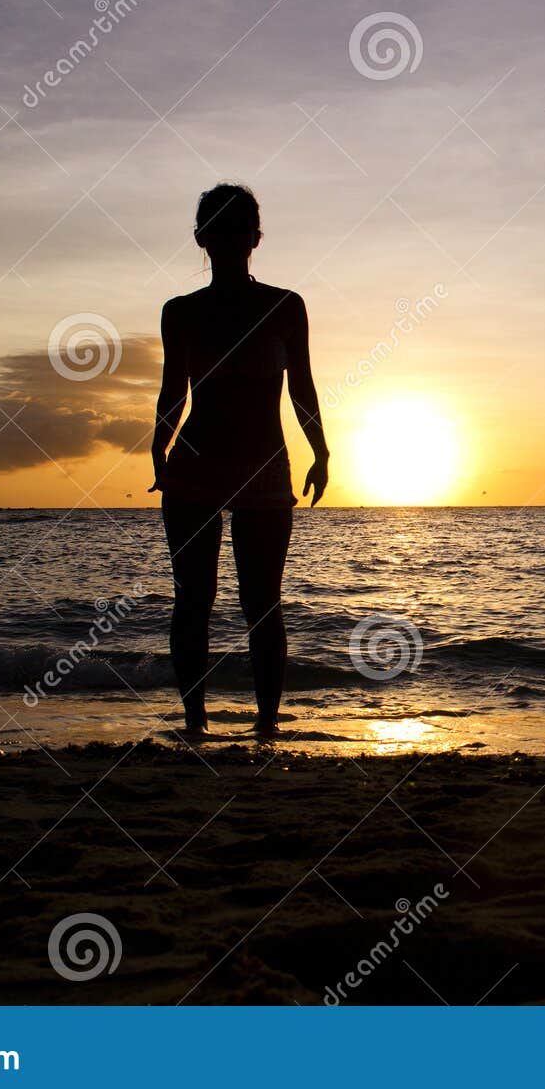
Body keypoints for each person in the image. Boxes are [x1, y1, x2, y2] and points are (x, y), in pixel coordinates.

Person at [151, 183, 329, 737]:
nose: (229, 239)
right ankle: (195, 722)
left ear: (255, 237)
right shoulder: (180, 312)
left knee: (262, 602)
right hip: (195, 466)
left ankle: (268, 725)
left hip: (264, 468)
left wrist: (321, 450)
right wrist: (159, 448)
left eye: (239, 228)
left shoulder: (284, 307)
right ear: (202, 238)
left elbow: (303, 387)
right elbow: (172, 392)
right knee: (193, 598)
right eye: (218, 229)